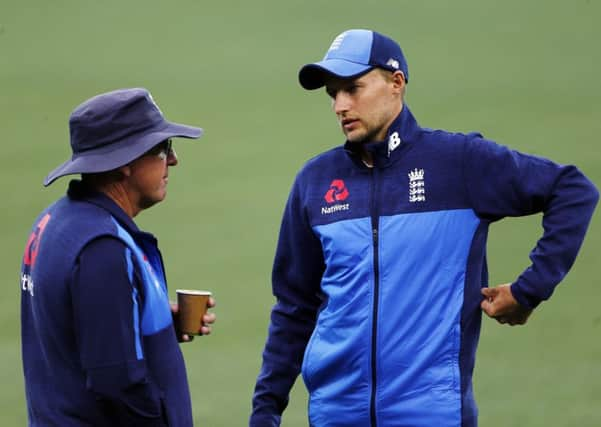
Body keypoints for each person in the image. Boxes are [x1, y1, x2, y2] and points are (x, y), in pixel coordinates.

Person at [249, 29, 599, 427]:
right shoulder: (315, 181)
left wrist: (529, 290)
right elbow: (295, 308)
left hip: (434, 415)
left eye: (353, 89)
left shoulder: (458, 163)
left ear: (396, 83)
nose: (340, 106)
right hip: (335, 415)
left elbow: (572, 190)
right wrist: (266, 411)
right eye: (333, 94)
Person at [20, 88, 216, 427]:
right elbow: (118, 384)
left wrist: (142, 325)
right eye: (161, 149)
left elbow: (76, 331)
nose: (172, 160)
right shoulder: (102, 248)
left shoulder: (54, 222)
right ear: (125, 163)